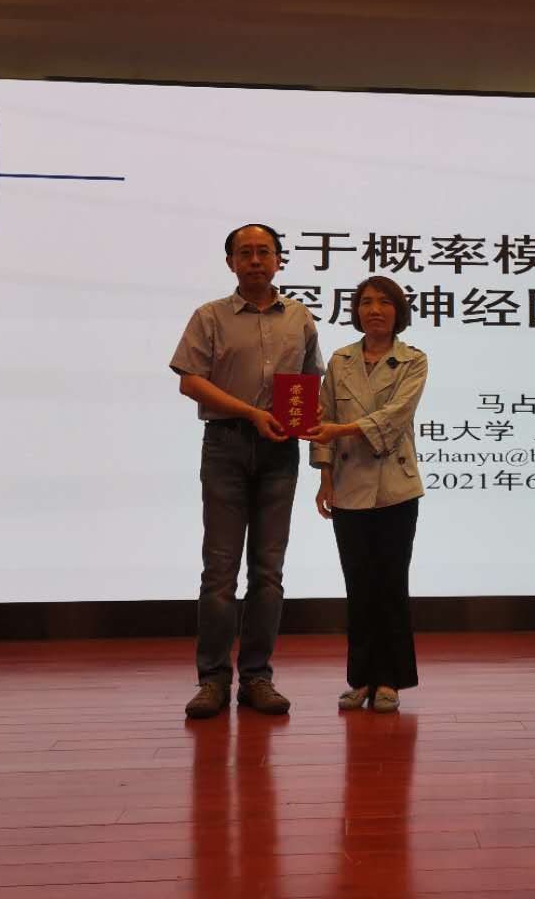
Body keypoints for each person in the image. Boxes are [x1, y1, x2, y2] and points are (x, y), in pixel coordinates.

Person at [171, 224, 324, 718]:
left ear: (279, 260)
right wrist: (251, 413)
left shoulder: (299, 317)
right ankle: (213, 680)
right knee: (219, 571)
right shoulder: (210, 316)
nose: (255, 260)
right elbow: (190, 381)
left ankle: (257, 677)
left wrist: (310, 423)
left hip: (280, 451)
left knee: (268, 571)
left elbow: (310, 383)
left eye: (264, 252)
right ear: (230, 262)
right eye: (245, 253)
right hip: (226, 447)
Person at [305, 276, 428, 714]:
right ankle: (360, 679)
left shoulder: (413, 360)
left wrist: (341, 430)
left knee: (391, 584)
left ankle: (390, 679)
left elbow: (396, 416)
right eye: (366, 302)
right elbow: (321, 418)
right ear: (356, 310)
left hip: (396, 487)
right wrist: (324, 477)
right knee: (358, 586)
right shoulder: (340, 360)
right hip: (347, 486)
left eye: (384, 302)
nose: (374, 310)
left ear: (398, 311)